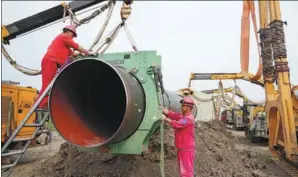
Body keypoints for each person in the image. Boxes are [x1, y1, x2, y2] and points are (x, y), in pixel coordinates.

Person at [37, 25, 96, 109]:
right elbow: (76, 46)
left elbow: (72, 53)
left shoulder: (64, 44)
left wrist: (81, 53)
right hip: (50, 61)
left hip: (52, 63)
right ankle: (42, 105)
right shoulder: (63, 37)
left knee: (49, 85)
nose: (73, 37)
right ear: (68, 32)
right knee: (47, 84)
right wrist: (87, 52)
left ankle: (42, 104)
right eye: (73, 35)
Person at [161, 97, 196, 177]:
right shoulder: (183, 116)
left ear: (188, 107)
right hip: (182, 148)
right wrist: (164, 111)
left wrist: (165, 118)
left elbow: (178, 124)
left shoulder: (189, 119)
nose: (181, 107)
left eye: (183, 106)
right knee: (183, 170)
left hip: (186, 149)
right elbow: (175, 115)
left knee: (186, 172)